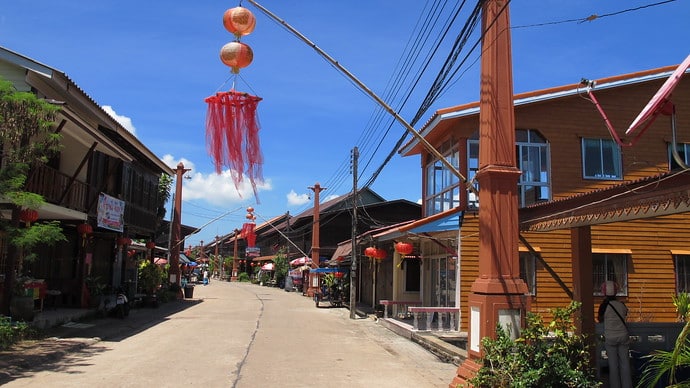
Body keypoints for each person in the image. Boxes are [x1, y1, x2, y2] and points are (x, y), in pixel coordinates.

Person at [598, 280, 632, 388]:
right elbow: (625, 313)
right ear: (616, 292)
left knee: (613, 366)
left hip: (610, 337)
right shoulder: (621, 305)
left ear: (604, 293)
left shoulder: (604, 306)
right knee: (625, 364)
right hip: (623, 335)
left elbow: (599, 319)